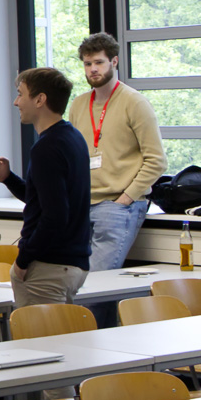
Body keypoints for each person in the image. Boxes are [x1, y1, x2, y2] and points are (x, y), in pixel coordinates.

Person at [0, 68, 91, 308]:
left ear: (40, 99)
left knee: (37, 333)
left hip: (48, 266)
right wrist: (8, 178)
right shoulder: (73, 138)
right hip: (71, 263)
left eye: (21, 94)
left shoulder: (46, 148)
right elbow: (43, 200)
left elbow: (55, 216)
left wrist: (23, 260)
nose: (16, 102)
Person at [77, 32, 166, 272]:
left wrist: (125, 199)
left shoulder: (134, 102)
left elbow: (157, 161)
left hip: (116, 204)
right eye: (87, 63)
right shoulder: (78, 104)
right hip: (83, 204)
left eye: (99, 62)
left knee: (98, 280)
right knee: (74, 280)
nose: (93, 69)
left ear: (114, 61)